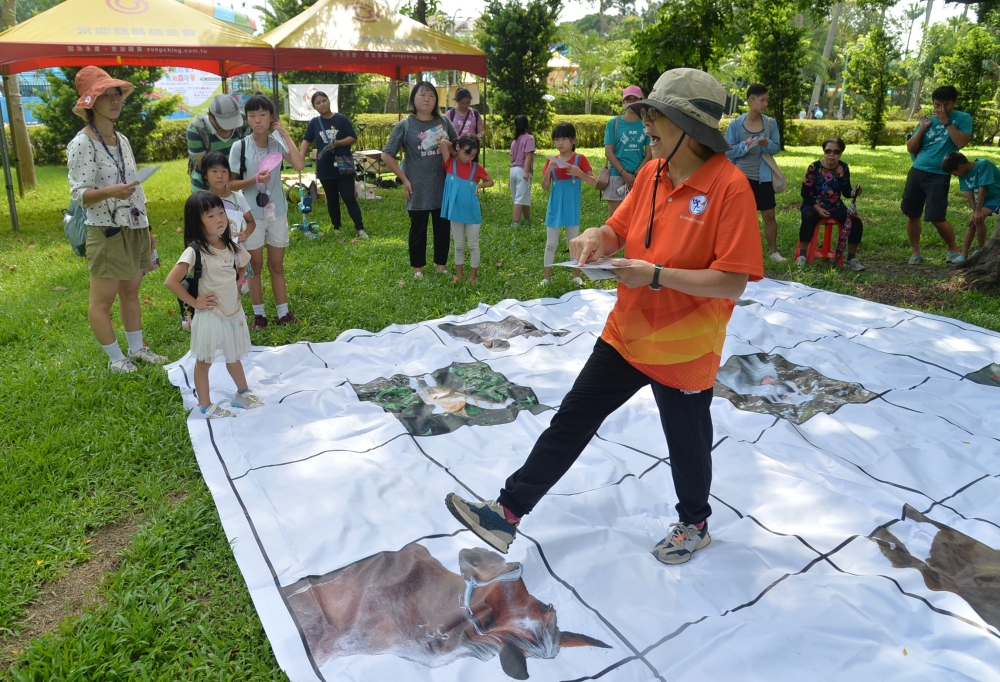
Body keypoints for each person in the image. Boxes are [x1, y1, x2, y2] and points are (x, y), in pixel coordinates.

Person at [444, 68, 764, 565]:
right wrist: (596, 236)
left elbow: (733, 281)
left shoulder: (730, 187)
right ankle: (505, 515)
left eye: (656, 117)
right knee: (572, 419)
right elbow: (617, 229)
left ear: (689, 128)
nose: (645, 126)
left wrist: (656, 275)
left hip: (686, 346)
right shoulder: (653, 175)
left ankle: (695, 523)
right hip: (628, 332)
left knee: (686, 441)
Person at [66, 66, 167, 373]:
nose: (114, 100)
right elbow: (79, 194)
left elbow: (133, 186)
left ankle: (137, 350)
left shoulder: (120, 138)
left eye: (117, 93)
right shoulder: (83, 142)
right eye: (105, 94)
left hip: (134, 224)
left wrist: (147, 229)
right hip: (106, 228)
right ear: (89, 102)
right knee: (102, 301)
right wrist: (111, 192)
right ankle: (115, 359)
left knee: (130, 291)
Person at [164, 192, 264, 419]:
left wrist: (237, 286)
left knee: (233, 355)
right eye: (210, 215)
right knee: (204, 361)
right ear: (196, 222)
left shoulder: (231, 245)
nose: (219, 219)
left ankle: (242, 393)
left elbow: (243, 265)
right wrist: (195, 302)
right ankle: (206, 405)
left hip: (232, 312)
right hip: (210, 315)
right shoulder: (195, 251)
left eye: (221, 213)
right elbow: (171, 281)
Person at [228, 93, 305, 328]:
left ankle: (284, 313)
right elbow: (230, 184)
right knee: (256, 266)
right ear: (247, 119)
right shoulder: (239, 147)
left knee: (277, 265)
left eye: (263, 114)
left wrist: (282, 131)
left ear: (271, 117)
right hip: (251, 217)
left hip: (277, 213)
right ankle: (259, 315)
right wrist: (254, 179)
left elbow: (299, 164)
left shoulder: (277, 143)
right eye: (252, 115)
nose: (257, 120)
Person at [381, 81, 459, 279]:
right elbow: (387, 155)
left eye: (432, 95)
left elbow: (458, 149)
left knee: (442, 229)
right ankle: (418, 269)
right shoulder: (406, 125)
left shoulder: (444, 121)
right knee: (418, 230)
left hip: (443, 185)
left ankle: (441, 266)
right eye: (422, 95)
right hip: (417, 187)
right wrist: (404, 180)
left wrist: (448, 147)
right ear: (413, 99)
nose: (427, 99)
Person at [902, 85, 972, 265]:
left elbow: (961, 142)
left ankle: (953, 250)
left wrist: (946, 121)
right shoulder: (927, 120)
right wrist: (922, 128)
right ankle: (916, 253)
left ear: (954, 102)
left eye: (945, 105)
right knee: (912, 214)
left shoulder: (962, 118)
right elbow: (911, 147)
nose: (940, 109)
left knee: (937, 217)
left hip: (939, 174)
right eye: (937, 105)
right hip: (917, 171)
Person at [725, 83, 785, 262]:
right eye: (762, 100)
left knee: (769, 216)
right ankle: (739, 252)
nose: (765, 104)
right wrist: (746, 145)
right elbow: (728, 151)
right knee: (741, 218)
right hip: (741, 177)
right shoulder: (736, 124)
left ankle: (773, 252)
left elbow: (776, 148)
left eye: (767, 100)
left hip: (764, 177)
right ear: (751, 101)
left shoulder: (770, 123)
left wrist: (768, 144)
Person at [298, 91, 368, 238]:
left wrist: (339, 143)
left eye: (324, 100)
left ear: (329, 101)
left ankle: (360, 228)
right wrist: (300, 157)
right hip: (325, 168)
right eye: (318, 103)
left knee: (349, 197)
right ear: (314, 107)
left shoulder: (341, 119)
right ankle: (336, 227)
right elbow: (306, 140)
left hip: (344, 166)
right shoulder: (314, 123)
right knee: (332, 199)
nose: (322, 104)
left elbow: (353, 137)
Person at [795, 137, 865, 272]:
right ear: (824, 151)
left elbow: (845, 191)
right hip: (813, 204)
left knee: (855, 222)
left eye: (836, 151)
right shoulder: (814, 167)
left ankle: (851, 258)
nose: (831, 154)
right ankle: (802, 255)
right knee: (808, 216)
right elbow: (805, 192)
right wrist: (817, 207)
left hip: (835, 206)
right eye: (828, 151)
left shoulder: (843, 167)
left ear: (841, 153)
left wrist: (854, 192)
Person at [540, 122, 597, 287]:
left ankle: (576, 275)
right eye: (557, 139)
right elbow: (544, 187)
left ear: (573, 140)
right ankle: (546, 277)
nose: (560, 143)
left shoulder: (580, 159)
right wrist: (550, 169)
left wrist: (578, 173)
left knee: (574, 241)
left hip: (572, 205)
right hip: (555, 205)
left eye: (564, 138)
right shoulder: (552, 161)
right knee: (551, 243)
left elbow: (594, 182)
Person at [440, 135, 494, 284]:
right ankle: (459, 275)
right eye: (466, 153)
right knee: (458, 245)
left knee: (473, 244)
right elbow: (443, 143)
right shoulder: (449, 163)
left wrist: (479, 186)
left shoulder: (476, 167)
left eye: (472, 155)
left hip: (472, 212)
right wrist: (457, 147)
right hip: (455, 211)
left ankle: (473, 276)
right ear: (458, 148)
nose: (468, 158)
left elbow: (490, 181)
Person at [942, 152, 1000, 263]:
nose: (955, 176)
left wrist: (978, 211)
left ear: (960, 167)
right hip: (985, 200)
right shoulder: (963, 173)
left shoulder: (983, 165)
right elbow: (968, 192)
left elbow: (983, 187)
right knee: (974, 221)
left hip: (997, 196)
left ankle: (980, 249)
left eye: (954, 174)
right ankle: (964, 254)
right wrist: (975, 211)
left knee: (978, 217)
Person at [603, 85, 651, 217]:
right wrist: (625, 174)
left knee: (637, 217)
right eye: (628, 99)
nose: (631, 103)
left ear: (642, 101)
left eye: (635, 99)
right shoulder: (614, 123)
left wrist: (635, 175)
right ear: (623, 102)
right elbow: (609, 152)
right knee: (615, 218)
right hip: (616, 176)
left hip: (639, 177)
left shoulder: (646, 123)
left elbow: (649, 154)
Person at [187, 93, 245, 193]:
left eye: (232, 121)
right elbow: (206, 168)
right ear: (210, 116)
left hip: (237, 186)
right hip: (206, 189)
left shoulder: (245, 121)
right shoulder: (196, 130)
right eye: (223, 124)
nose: (229, 127)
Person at [201, 151, 256, 246]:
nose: (220, 176)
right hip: (213, 252)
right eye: (214, 171)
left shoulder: (238, 197)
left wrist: (245, 234)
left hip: (238, 251)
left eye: (224, 171)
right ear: (205, 174)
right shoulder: (201, 201)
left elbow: (251, 222)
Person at [509, 115, 535, 228]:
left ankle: (527, 218)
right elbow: (528, 155)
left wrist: (509, 178)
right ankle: (515, 222)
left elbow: (511, 158)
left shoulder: (514, 141)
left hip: (513, 170)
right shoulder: (530, 138)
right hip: (522, 170)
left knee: (524, 196)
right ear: (527, 125)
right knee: (520, 197)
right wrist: (526, 172)